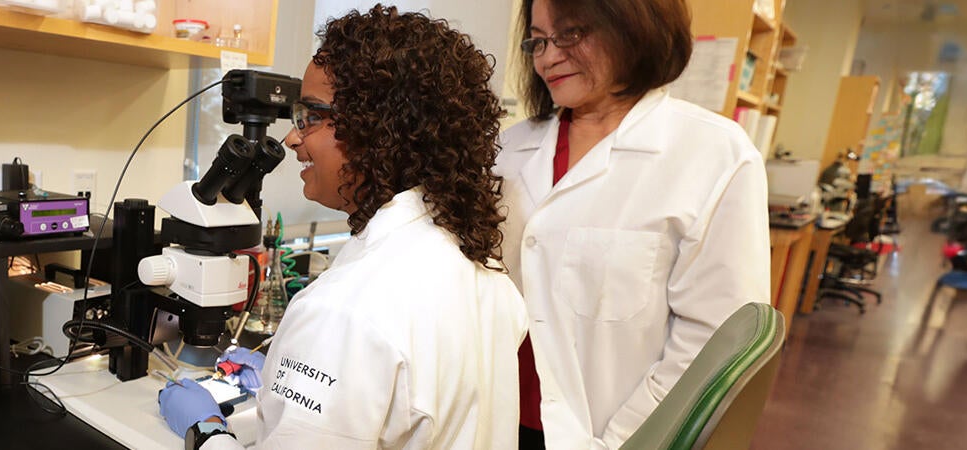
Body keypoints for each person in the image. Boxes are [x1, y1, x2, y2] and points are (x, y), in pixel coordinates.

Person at [156, 6, 528, 449]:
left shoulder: (344, 311)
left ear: (379, 127)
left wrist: (209, 431)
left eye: (310, 116)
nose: (293, 138)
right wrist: (294, 374)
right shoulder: (480, 267)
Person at [499, 0, 771, 448]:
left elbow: (712, 341)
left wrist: (625, 441)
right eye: (539, 40)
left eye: (570, 33)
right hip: (497, 420)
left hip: (611, 434)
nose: (547, 57)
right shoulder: (509, 149)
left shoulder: (714, 154)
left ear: (634, 25)